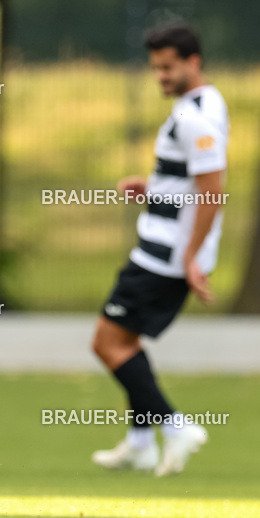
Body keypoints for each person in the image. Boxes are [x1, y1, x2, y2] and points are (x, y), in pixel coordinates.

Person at [91, 24, 228, 476]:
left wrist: (190, 256)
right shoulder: (205, 105)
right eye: (156, 68)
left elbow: (212, 189)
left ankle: (175, 426)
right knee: (128, 342)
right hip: (165, 246)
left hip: (163, 253)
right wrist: (153, 187)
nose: (161, 76)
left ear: (194, 61)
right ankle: (139, 442)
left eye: (168, 67)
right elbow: (190, 180)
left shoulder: (195, 118)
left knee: (107, 342)